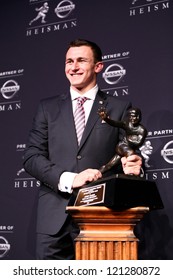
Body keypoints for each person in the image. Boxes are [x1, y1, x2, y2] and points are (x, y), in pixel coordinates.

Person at [23, 38, 143, 260]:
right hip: (53, 221)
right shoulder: (47, 108)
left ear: (98, 67)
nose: (73, 67)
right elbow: (31, 156)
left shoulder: (119, 107)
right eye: (69, 61)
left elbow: (127, 152)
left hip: (103, 216)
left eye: (81, 60)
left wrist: (134, 165)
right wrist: (70, 178)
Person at [98, 107, 147, 174]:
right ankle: (131, 175)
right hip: (121, 146)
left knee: (109, 166)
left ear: (138, 117)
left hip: (126, 149)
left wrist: (129, 139)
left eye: (134, 116)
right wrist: (106, 119)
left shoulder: (142, 130)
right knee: (131, 154)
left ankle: (98, 174)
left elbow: (138, 143)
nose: (132, 119)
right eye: (130, 116)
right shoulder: (127, 124)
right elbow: (115, 123)